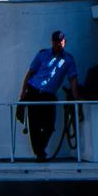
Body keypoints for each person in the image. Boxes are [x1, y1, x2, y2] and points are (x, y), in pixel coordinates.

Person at [19, 30, 80, 160]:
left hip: (48, 95)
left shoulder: (68, 60)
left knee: (49, 126)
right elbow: (30, 73)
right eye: (57, 41)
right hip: (34, 91)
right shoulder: (42, 54)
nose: (59, 44)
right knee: (34, 125)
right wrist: (23, 92)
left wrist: (76, 97)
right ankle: (39, 153)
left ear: (65, 42)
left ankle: (40, 149)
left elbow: (73, 79)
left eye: (61, 41)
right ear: (52, 42)